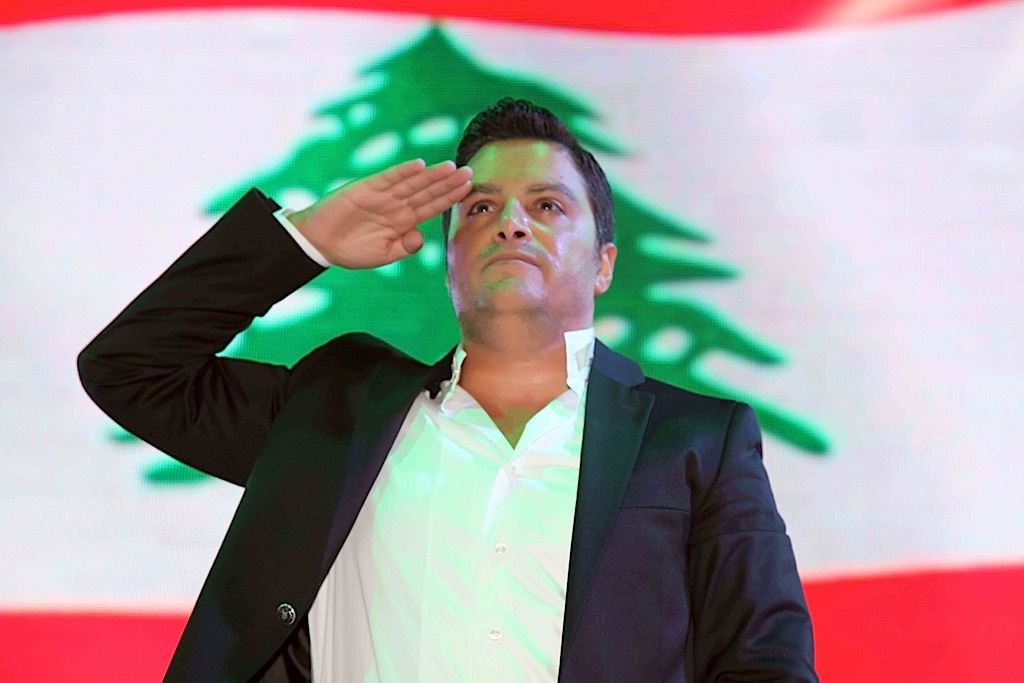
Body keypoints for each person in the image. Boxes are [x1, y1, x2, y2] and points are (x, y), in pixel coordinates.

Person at [78, 98, 817, 682]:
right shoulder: (333, 412)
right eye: (480, 208)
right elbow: (129, 367)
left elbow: (764, 663)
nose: (511, 225)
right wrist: (303, 241)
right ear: (450, 260)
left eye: (548, 206)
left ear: (604, 264)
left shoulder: (698, 440)